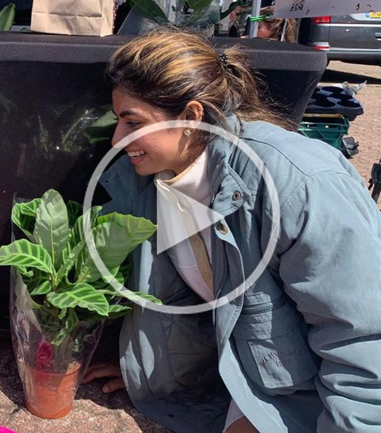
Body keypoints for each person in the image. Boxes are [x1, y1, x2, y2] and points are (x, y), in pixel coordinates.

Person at [82, 27, 381, 433]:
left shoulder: (299, 183)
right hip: (239, 383)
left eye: (132, 122)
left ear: (191, 116)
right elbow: (194, 303)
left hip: (316, 402)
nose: (118, 139)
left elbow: (361, 340)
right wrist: (150, 367)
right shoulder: (148, 183)